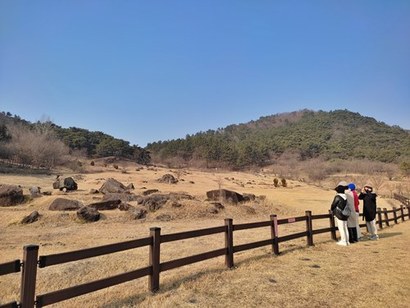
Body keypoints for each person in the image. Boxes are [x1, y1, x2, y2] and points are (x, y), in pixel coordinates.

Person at [330, 181, 350, 246]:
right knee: (345, 227)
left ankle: (343, 241)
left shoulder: (338, 196)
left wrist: (332, 209)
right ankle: (347, 241)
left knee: (341, 228)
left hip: (339, 214)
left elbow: (333, 205)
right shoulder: (345, 196)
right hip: (345, 214)